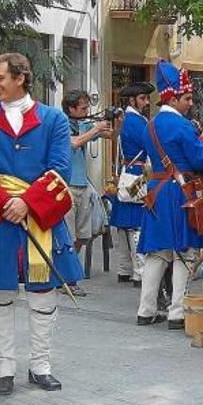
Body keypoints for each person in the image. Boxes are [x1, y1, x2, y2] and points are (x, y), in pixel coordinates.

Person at [0, 53, 83, 396]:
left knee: (43, 294)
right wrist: (4, 203)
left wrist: (27, 202)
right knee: (1, 292)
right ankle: (4, 368)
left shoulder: (53, 119)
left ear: (21, 78)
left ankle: (40, 365)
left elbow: (60, 170)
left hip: (38, 217)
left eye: (0, 78)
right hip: (0, 221)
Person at [136, 60, 203, 329]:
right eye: (188, 98)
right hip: (181, 193)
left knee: (157, 254)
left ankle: (145, 310)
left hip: (156, 192)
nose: (191, 103)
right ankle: (177, 312)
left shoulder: (150, 125)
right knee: (185, 252)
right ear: (174, 97)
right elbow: (202, 161)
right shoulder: (183, 127)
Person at [62, 90, 112, 272]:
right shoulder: (61, 124)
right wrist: (95, 129)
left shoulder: (84, 124)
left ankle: (69, 269)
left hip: (83, 185)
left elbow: (110, 135)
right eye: (83, 108)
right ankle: (67, 274)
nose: (86, 111)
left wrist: (115, 120)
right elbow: (73, 143)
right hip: (66, 186)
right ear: (71, 109)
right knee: (69, 235)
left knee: (83, 235)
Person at [111, 81, 155, 287]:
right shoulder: (138, 123)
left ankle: (124, 269)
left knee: (122, 225)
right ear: (132, 100)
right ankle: (140, 271)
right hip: (138, 173)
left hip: (126, 172)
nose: (146, 102)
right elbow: (151, 145)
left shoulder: (124, 120)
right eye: (142, 98)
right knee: (136, 223)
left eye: (147, 98)